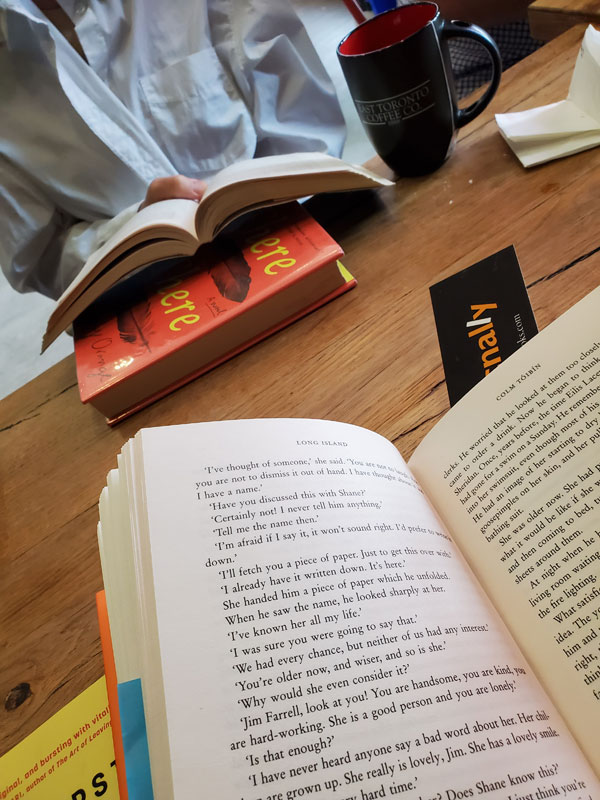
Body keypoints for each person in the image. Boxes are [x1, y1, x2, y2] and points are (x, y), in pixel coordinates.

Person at [0, 0, 346, 300]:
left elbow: (307, 128)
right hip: (143, 310)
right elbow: (37, 258)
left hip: (303, 249)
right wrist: (132, 233)